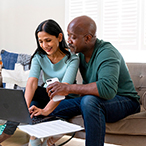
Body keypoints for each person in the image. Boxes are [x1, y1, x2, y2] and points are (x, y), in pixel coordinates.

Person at [38, 15, 139, 146]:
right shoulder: (80, 54)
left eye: (73, 37)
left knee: (89, 101)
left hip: (125, 100)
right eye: (68, 35)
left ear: (87, 38)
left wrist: (68, 88)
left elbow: (107, 90)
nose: (68, 41)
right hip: (96, 99)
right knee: (49, 107)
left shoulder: (107, 52)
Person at [0, 19, 79, 146]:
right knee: (31, 105)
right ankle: (11, 132)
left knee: (39, 111)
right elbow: (32, 82)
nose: (44, 45)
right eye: (40, 41)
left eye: (48, 40)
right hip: (47, 94)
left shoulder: (72, 59)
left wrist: (46, 110)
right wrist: (23, 109)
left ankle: (38, 139)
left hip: (66, 97)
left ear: (59, 37)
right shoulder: (39, 56)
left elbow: (65, 88)